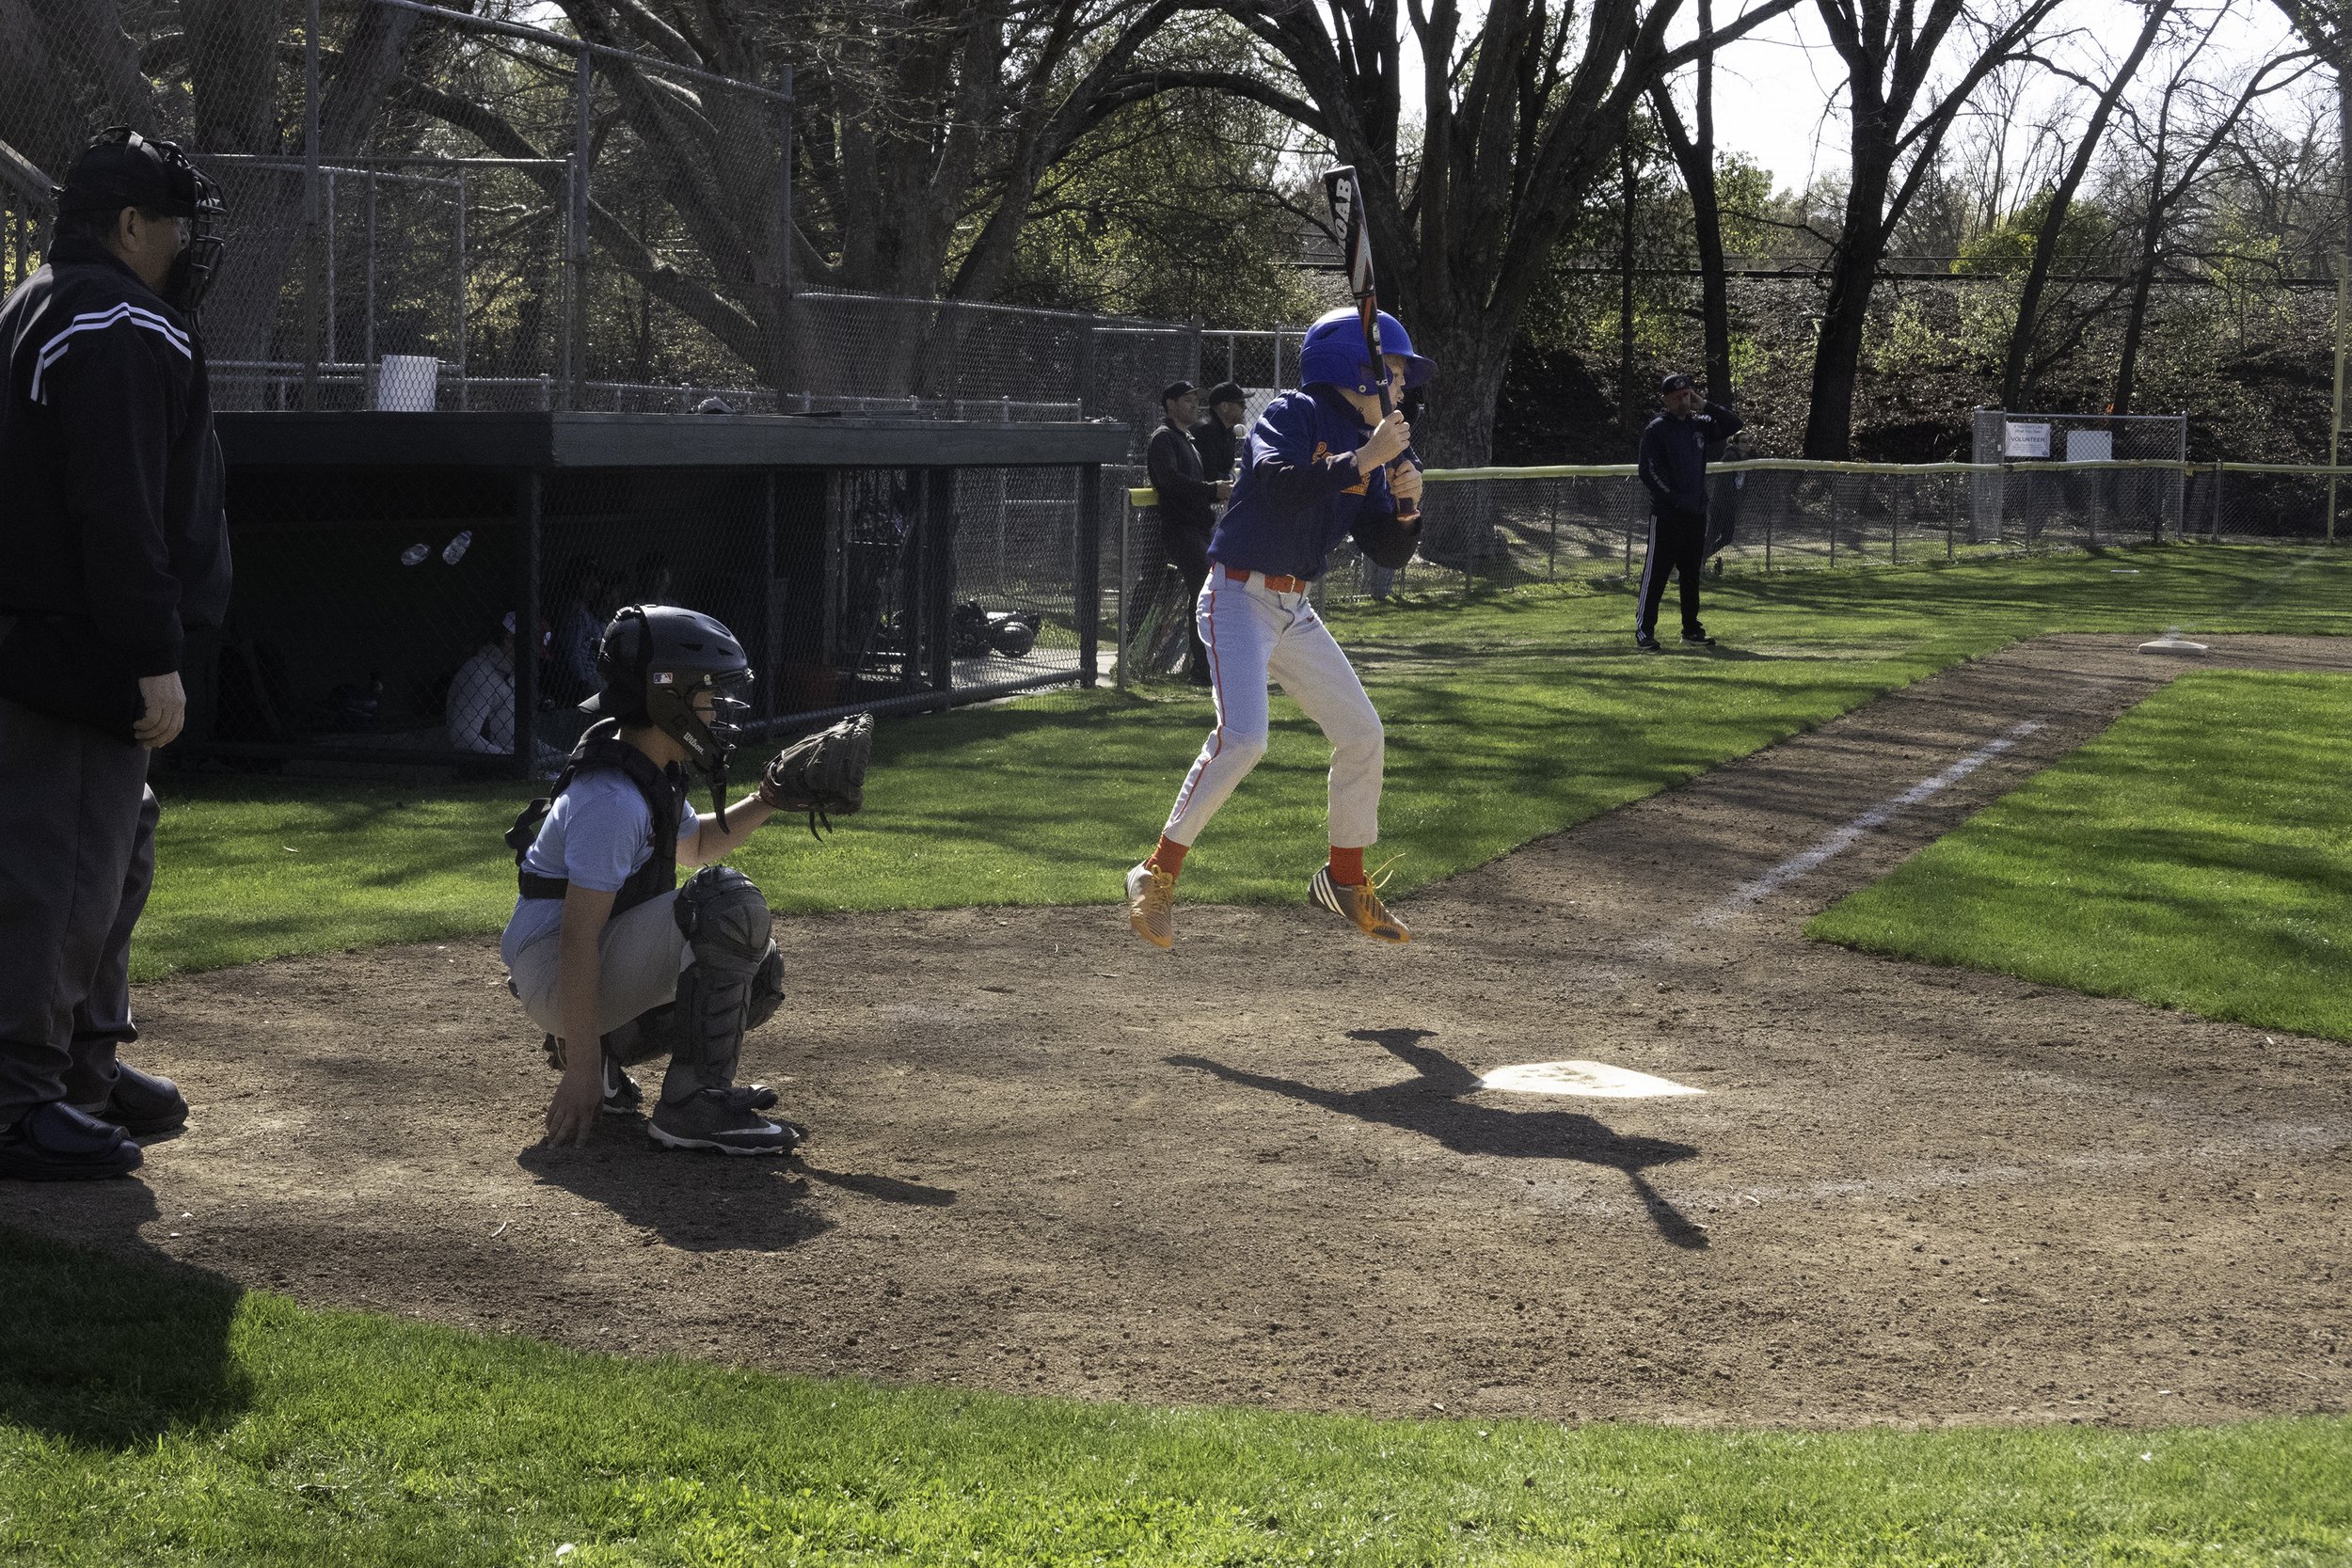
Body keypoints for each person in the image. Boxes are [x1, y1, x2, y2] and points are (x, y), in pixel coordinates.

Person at [0, 127, 230, 1180]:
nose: (188, 245)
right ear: (129, 226)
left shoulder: (42, 301)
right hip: (72, 653)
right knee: (63, 869)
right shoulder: (117, 319)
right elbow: (118, 508)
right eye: (175, 224)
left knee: (114, 848)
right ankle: (19, 1094)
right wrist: (153, 652)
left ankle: (83, 1066)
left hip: (46, 642)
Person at [1123, 307, 1427, 951]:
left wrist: (1405, 505)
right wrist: (1365, 458)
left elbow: (1385, 549)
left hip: (1295, 609)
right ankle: (1155, 873)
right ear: (1358, 370)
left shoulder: (1373, 445)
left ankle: (1343, 880)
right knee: (1244, 738)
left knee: (1362, 733)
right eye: (1394, 373)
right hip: (1236, 595)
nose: (1401, 389)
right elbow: (1278, 484)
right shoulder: (1290, 413)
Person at [507, 605, 808, 1154]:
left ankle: (606, 1066)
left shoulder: (644, 768)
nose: (720, 707)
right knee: (728, 909)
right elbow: (577, 937)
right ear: (667, 693)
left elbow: (698, 845)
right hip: (556, 967)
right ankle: (690, 1105)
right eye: (709, 692)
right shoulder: (612, 800)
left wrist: (770, 799)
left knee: (760, 971)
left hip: (576, 961)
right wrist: (576, 1071)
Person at [1634, 372, 1742, 650]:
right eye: (1677, 396)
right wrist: (1673, 498)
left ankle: (1691, 630)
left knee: (1691, 574)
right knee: (1656, 573)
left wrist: (1704, 405)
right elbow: (1648, 471)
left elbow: (1734, 424)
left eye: (1686, 394)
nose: (1683, 400)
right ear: (1666, 400)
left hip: (1695, 514)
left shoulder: (1699, 425)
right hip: (1668, 515)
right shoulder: (1657, 429)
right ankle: (1644, 631)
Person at [1142, 381, 1228, 685]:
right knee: (1205, 593)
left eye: (1196, 400)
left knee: (1206, 594)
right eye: (1188, 400)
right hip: (1178, 528)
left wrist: (1217, 490)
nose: (1195, 405)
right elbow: (1170, 482)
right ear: (1170, 404)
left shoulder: (1186, 439)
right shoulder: (1164, 438)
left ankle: (1205, 667)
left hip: (1198, 528)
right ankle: (1202, 671)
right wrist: (1211, 490)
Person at [1192, 380, 1248, 488]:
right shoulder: (1205, 431)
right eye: (1241, 403)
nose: (1244, 408)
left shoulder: (1228, 432)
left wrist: (1229, 477)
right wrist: (1231, 478)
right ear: (1224, 407)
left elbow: (1226, 470)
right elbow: (1210, 476)